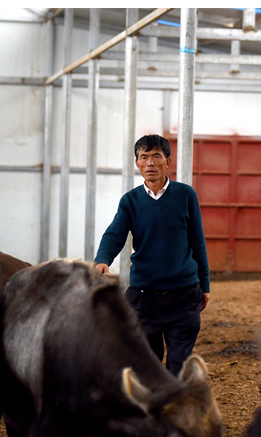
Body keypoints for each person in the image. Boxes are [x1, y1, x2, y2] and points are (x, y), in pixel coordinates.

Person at [94, 134, 210, 376]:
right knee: (148, 366)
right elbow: (114, 234)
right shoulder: (130, 201)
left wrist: (205, 284)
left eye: (156, 156)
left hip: (184, 295)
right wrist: (102, 260)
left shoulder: (185, 195)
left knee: (179, 367)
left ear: (168, 161)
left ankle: (175, 399)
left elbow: (198, 242)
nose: (150, 163)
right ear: (136, 163)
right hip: (143, 297)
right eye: (144, 157)